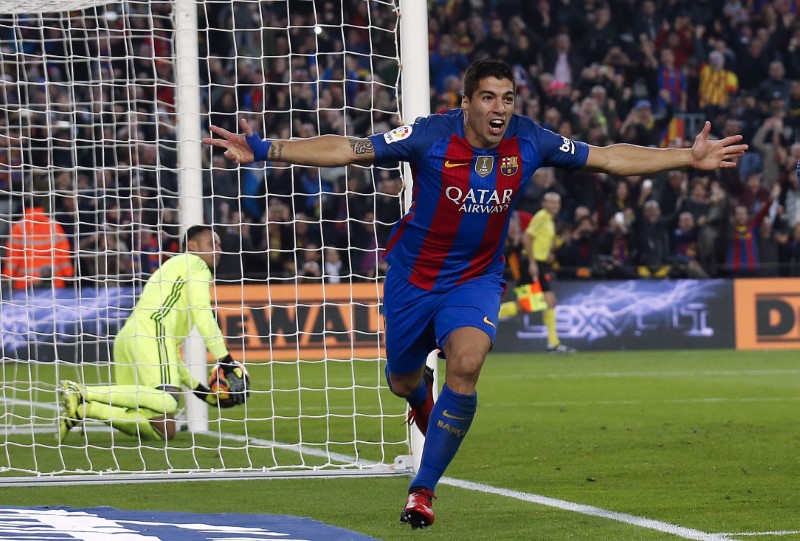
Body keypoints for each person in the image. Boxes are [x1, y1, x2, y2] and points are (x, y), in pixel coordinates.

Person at [203, 58, 746, 530]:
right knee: (401, 380)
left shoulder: (530, 140)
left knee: (467, 362)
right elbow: (348, 148)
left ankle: (423, 489)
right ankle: (421, 401)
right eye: (488, 97)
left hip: (476, 279)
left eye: (508, 98)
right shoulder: (430, 135)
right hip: (412, 280)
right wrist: (266, 148)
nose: (500, 108)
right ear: (464, 102)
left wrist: (685, 157)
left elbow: (608, 156)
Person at [57, 225, 247, 443]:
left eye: (220, 244)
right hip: (152, 332)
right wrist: (227, 362)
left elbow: (172, 359)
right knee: (168, 402)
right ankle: (82, 392)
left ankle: (83, 410)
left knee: (163, 429)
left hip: (130, 337)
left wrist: (205, 394)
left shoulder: (173, 270)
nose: (218, 249)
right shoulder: (196, 264)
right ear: (192, 246)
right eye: (212, 244)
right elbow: (203, 313)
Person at [526, 191, 576, 353]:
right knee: (541, 302)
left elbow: (541, 243)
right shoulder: (541, 216)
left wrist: (552, 250)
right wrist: (532, 261)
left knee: (539, 303)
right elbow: (526, 237)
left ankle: (553, 343)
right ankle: (553, 344)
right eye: (551, 202)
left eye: (557, 203)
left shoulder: (549, 221)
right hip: (533, 264)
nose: (555, 206)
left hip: (541, 263)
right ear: (544, 204)